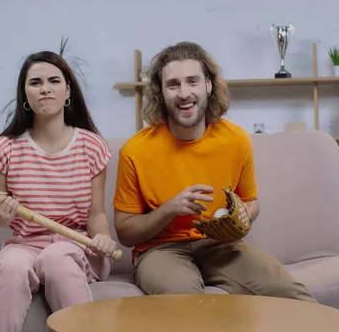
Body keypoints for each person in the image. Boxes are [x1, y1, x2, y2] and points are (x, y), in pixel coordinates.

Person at [112, 41, 317, 302]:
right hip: (160, 250)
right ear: (161, 93)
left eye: (192, 81)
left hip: (221, 246)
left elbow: (252, 202)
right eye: (173, 85)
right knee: (187, 301)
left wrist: (242, 215)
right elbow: (125, 233)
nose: (184, 93)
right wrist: (169, 209)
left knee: (292, 294)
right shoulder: (135, 150)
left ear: (208, 85)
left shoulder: (236, 140)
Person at [0, 51, 118, 332]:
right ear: (24, 93)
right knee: (10, 268)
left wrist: (103, 239)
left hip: (76, 244)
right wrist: (1, 215)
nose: (44, 88)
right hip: (26, 244)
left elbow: (96, 214)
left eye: (53, 81)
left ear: (67, 90)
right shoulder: (4, 149)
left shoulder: (92, 147)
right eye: (35, 82)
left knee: (56, 259)